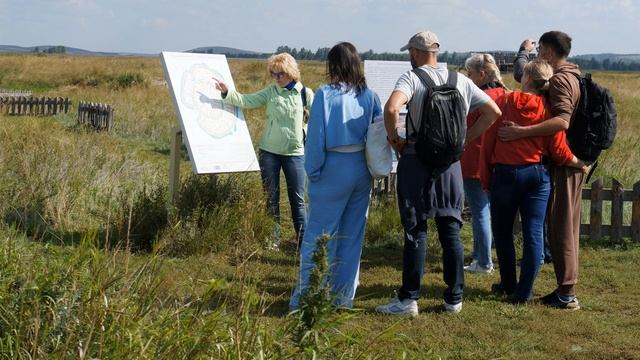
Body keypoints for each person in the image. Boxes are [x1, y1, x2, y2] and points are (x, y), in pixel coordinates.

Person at [375, 31, 501, 316]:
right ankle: (454, 298)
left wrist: (396, 140)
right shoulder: (461, 80)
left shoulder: (412, 78)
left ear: (416, 53)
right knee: (450, 230)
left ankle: (408, 299)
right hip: (450, 165)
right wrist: (465, 139)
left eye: (410, 52)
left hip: (417, 159)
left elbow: (392, 107)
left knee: (415, 228)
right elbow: (493, 112)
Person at [480, 59, 588, 304]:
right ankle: (524, 292)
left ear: (526, 78)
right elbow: (559, 150)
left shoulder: (504, 102)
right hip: (537, 176)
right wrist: (579, 163)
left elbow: (487, 146)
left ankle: (508, 284)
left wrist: (486, 179)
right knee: (534, 233)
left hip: (506, 174)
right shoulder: (547, 110)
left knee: (503, 232)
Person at [289, 42, 382, 309]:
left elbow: (316, 137)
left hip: (332, 167)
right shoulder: (370, 96)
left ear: (333, 65)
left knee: (319, 235)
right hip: (360, 170)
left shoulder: (325, 94)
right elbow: (376, 135)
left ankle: (309, 296)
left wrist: (312, 170)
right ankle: (343, 297)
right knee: (352, 236)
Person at [214, 53, 313, 247]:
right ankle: (272, 240)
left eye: (281, 74)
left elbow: (318, 119)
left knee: (298, 200)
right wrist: (227, 92)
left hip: (295, 153)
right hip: (269, 153)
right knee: (270, 197)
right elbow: (247, 101)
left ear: (292, 72)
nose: (277, 78)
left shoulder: (305, 94)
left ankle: (304, 242)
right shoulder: (270, 92)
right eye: (273, 74)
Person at [461, 54, 508, 274]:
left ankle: (484, 261)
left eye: (469, 74)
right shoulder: (506, 94)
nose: (467, 78)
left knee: (479, 211)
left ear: (481, 74)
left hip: (474, 160)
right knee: (487, 210)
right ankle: (480, 257)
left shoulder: (479, 97)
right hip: (498, 159)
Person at [512, 39, 554, 265]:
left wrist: (523, 51)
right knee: (538, 218)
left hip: (524, 164)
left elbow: (521, 72)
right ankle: (542, 254)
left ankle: (539, 256)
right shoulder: (556, 83)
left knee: (530, 219)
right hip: (545, 161)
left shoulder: (514, 99)